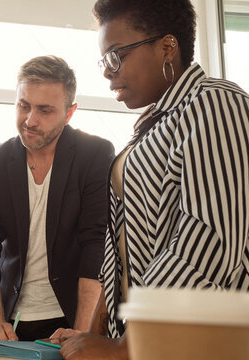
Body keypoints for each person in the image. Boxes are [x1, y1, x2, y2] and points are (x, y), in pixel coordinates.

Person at [59, 1, 249, 359]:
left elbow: (208, 239)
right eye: (104, 61)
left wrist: (129, 346)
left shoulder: (215, 102)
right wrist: (90, 337)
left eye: (116, 56)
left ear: (167, 46)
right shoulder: (153, 126)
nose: (107, 72)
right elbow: (122, 253)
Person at [0, 55, 115, 345]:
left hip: (70, 320)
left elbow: (95, 246)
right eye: (23, 106)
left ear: (69, 113)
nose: (30, 120)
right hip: (6, 321)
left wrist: (83, 333)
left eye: (45, 110)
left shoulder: (94, 155)